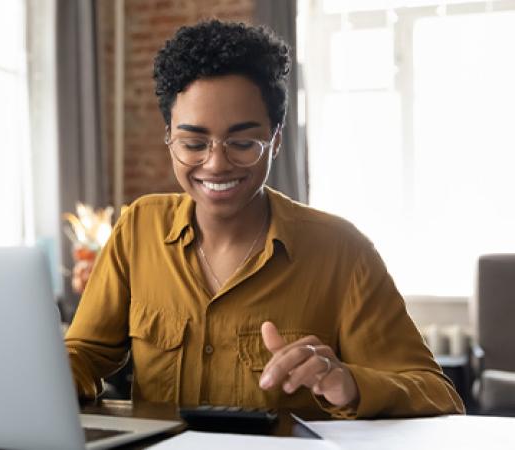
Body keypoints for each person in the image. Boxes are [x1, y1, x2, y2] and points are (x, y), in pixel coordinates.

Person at [64, 19, 464, 419]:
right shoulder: (138, 229)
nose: (216, 164)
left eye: (242, 142)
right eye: (193, 143)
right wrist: (52, 373)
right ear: (169, 137)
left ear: (275, 139)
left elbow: (439, 395)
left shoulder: (342, 252)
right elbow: (84, 354)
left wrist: (349, 383)